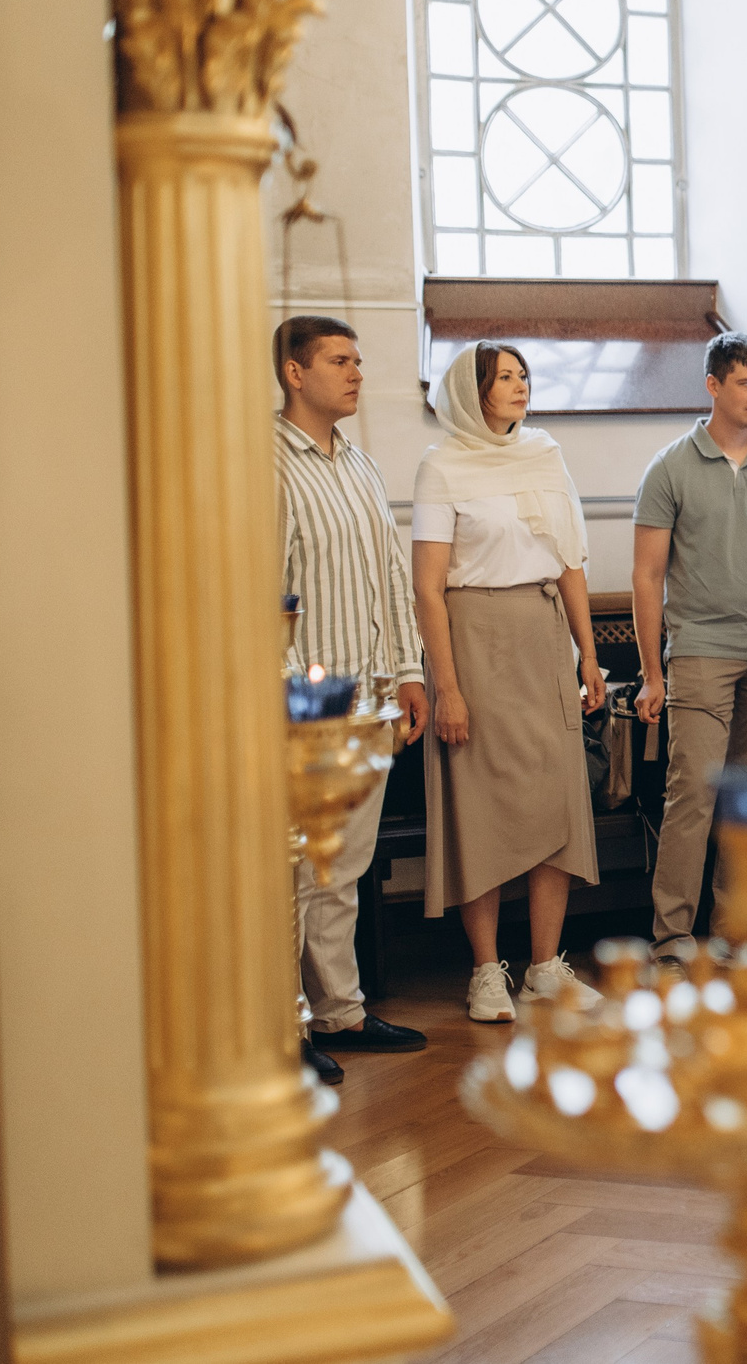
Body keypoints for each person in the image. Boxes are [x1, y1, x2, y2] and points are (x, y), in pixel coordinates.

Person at [413, 344, 608, 1021]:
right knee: (482, 807)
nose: (521, 385)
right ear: (474, 392)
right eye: (505, 377)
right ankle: (485, 971)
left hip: (544, 637)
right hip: (475, 642)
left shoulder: (546, 455)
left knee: (557, 799)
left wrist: (589, 655)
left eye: (524, 375)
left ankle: (545, 967)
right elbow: (428, 589)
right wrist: (448, 688)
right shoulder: (442, 466)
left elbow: (570, 561)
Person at [273, 316, 429, 1081]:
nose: (356, 372)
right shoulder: (266, 465)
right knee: (294, 871)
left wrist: (409, 671)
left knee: (345, 866)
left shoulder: (361, 465)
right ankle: (284, 1026)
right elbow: (263, 593)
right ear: (294, 372)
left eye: (358, 360)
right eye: (340, 360)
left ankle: (340, 1009)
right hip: (309, 708)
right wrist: (293, 696)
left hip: (370, 698)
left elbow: (393, 578)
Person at [632, 332, 747, 966]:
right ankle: (673, 938)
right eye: (746, 383)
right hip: (701, 650)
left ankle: (736, 934)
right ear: (713, 385)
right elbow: (646, 576)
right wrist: (651, 673)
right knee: (693, 795)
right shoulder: (670, 467)